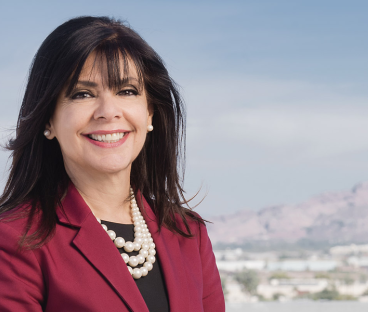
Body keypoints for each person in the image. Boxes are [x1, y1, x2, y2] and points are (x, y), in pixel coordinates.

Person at [0, 16, 224, 312]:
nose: (108, 112)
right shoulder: (14, 240)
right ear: (48, 121)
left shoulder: (188, 234)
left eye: (127, 91)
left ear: (150, 114)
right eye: (82, 94)